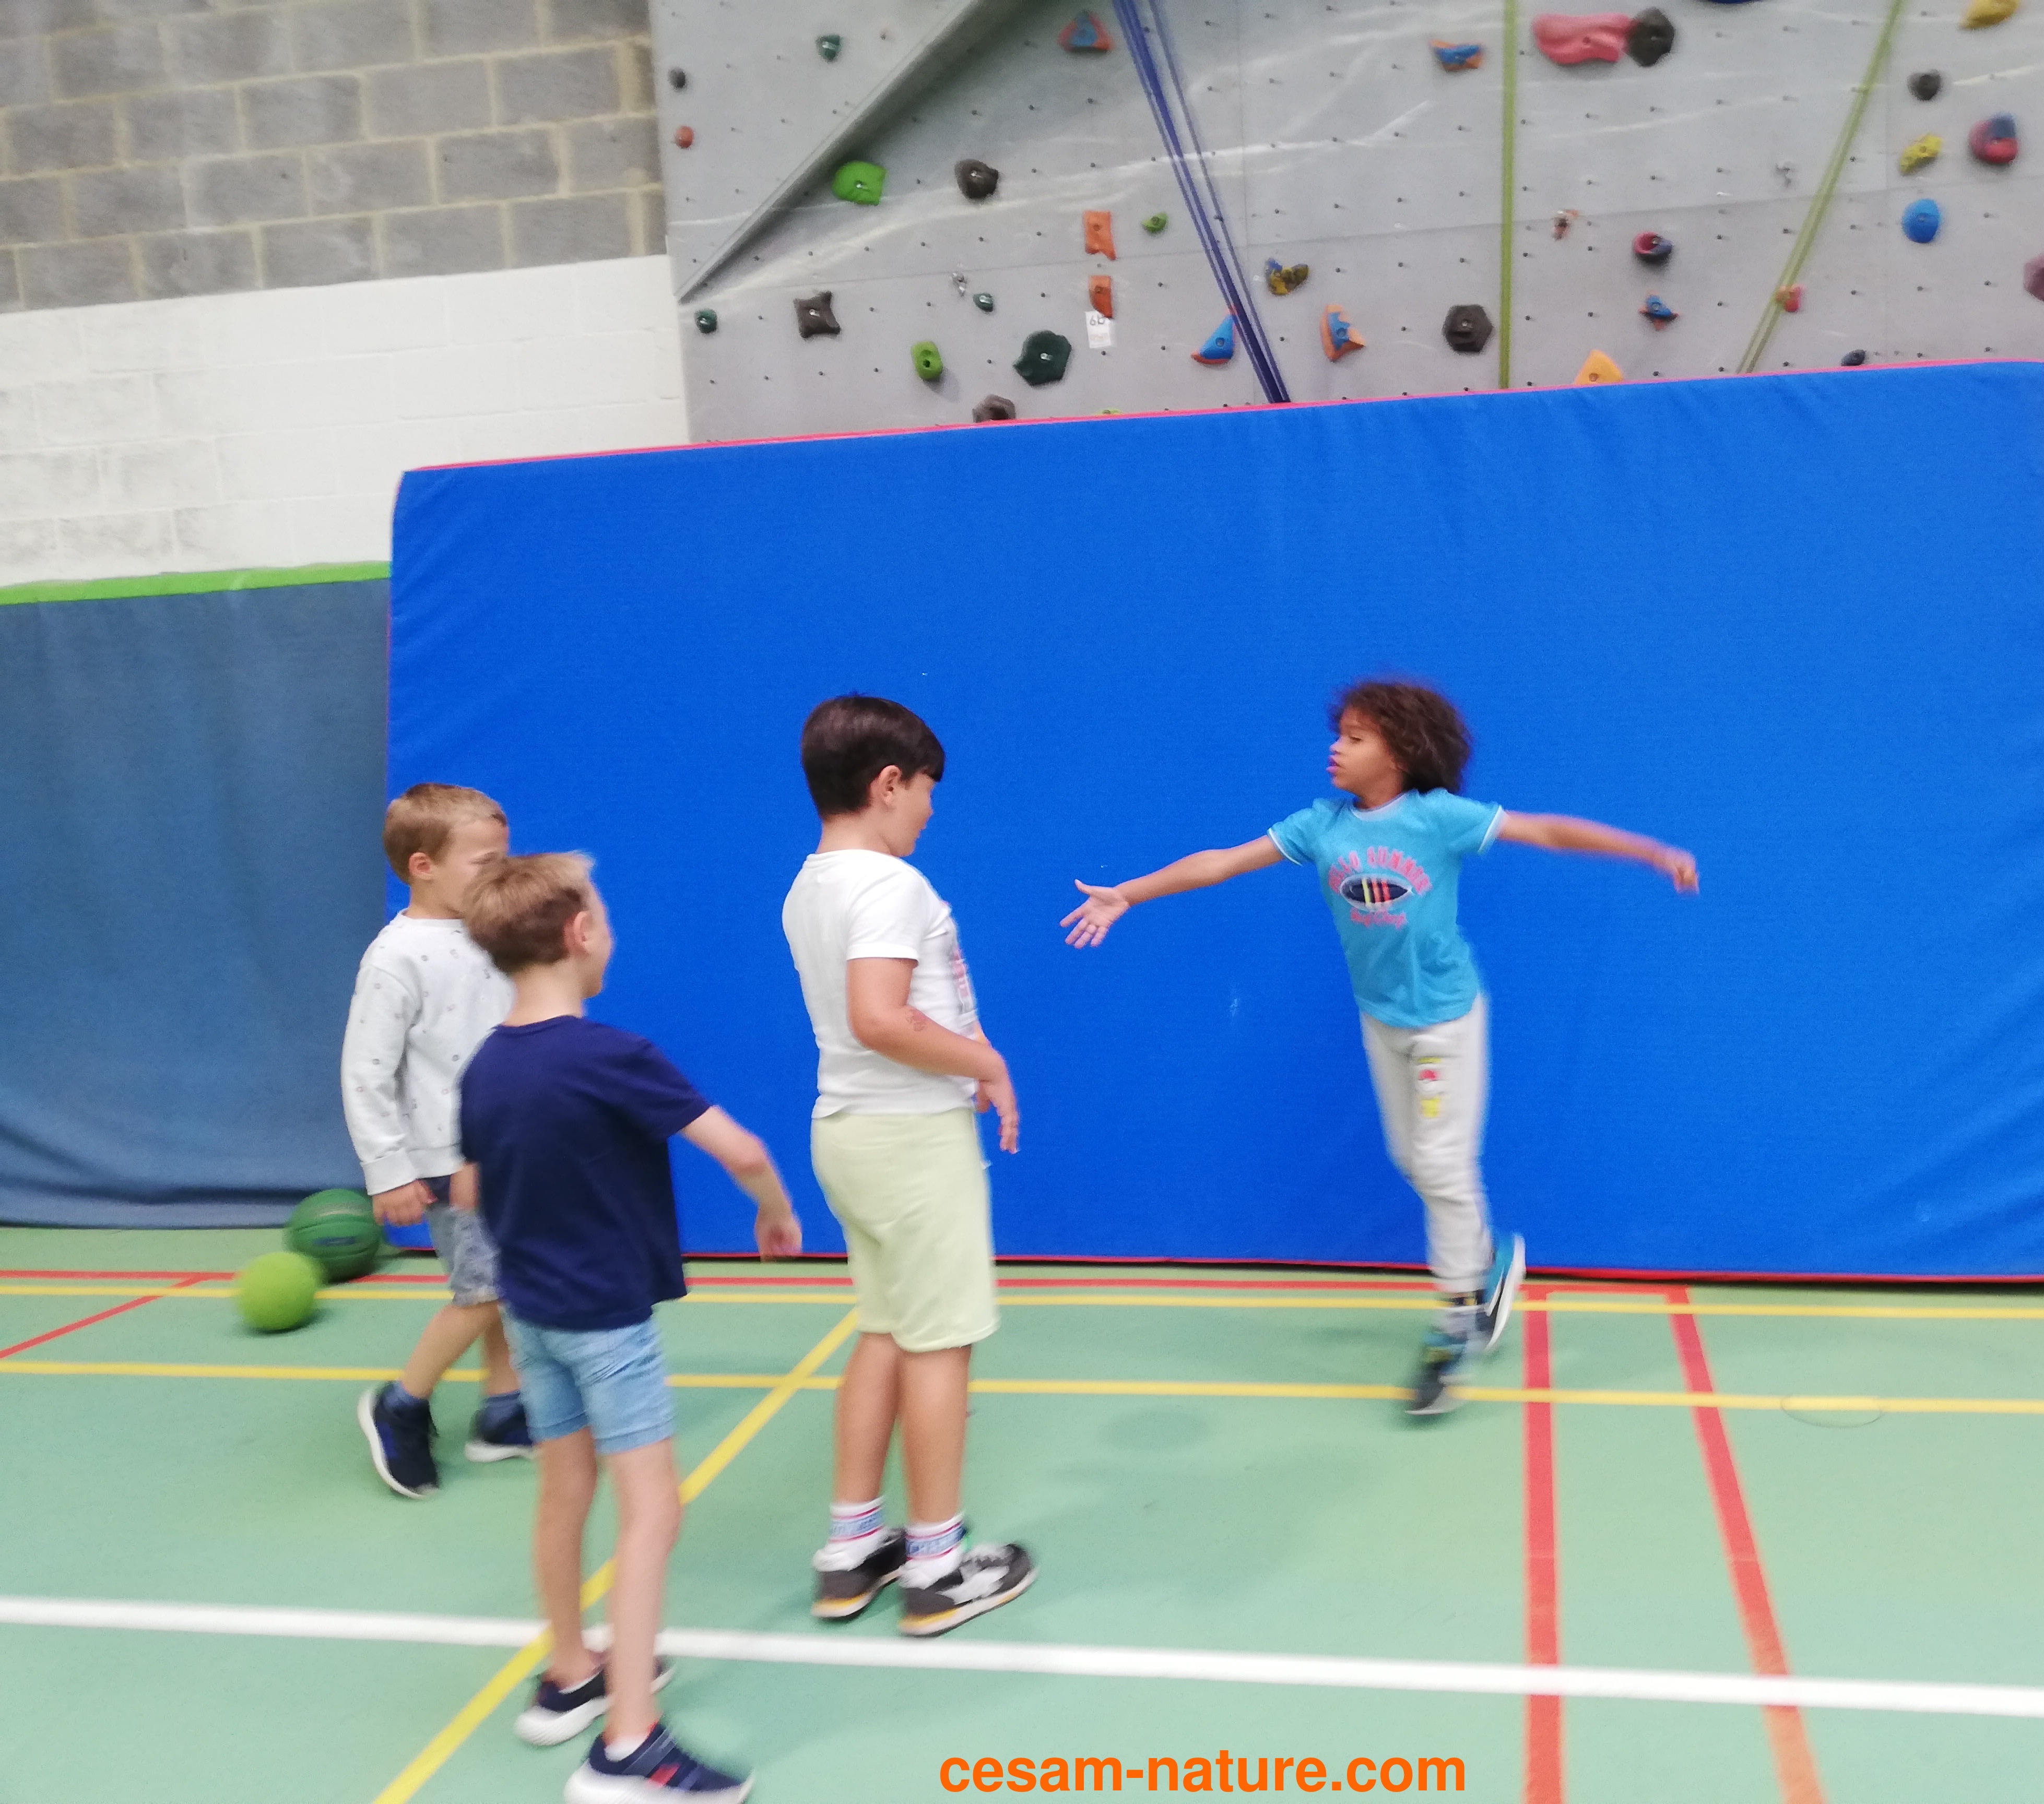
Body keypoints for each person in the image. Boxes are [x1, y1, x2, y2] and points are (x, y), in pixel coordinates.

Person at [1063, 679, 1698, 1416]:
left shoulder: (1438, 819)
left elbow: (1548, 832)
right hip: (1383, 1020)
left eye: (1356, 738)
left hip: (1446, 1022)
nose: (1336, 748)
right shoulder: (1321, 826)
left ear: (1399, 754)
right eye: (1339, 734)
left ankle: (1456, 1325)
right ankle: (1488, 1262)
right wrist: (1130, 893)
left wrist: (1652, 852)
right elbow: (1223, 862)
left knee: (1441, 1163)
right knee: (1413, 1160)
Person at [458, 853, 802, 1802]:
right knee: (653, 1512)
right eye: (604, 920)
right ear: (579, 935)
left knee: (563, 1492)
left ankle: (572, 1671)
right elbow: (743, 1149)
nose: (609, 934)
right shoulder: (611, 1054)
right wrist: (774, 1209)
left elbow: (471, 1190)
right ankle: (630, 1747)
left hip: (532, 1313)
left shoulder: (483, 1066)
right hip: (607, 1321)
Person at [785, 695, 1036, 1637]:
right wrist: (987, 1063)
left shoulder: (810, 885)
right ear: (889, 784)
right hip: (912, 1142)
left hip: (848, 1132)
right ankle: (937, 1565)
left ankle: (852, 1548)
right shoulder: (890, 885)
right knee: (941, 1342)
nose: (931, 811)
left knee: (886, 1331)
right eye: (927, 790)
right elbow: (880, 1017)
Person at [346, 782, 530, 1496]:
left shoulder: (488, 932)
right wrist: (388, 1170)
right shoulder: (396, 958)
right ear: (423, 867)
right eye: (485, 863)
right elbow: (366, 1071)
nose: (500, 873)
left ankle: (504, 1412)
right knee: (488, 1286)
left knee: (504, 1284)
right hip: (450, 1162)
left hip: (506, 1148)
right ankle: (401, 1404)